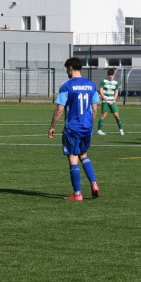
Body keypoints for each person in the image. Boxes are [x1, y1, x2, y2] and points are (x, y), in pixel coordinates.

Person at [49, 57, 100, 200]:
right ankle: (94, 183)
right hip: (87, 128)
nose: (66, 72)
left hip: (72, 128)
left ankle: (77, 194)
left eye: (66, 69)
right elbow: (95, 109)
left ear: (70, 67)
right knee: (84, 155)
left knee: (73, 158)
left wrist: (52, 127)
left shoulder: (67, 85)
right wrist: (90, 125)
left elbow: (59, 110)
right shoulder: (91, 85)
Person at [96, 68, 124, 136]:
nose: (111, 76)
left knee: (117, 115)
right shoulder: (104, 81)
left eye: (112, 75)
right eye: (109, 75)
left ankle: (121, 130)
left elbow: (116, 92)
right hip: (105, 101)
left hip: (112, 101)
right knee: (104, 115)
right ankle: (99, 130)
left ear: (113, 75)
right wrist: (103, 97)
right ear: (107, 75)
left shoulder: (116, 83)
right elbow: (100, 90)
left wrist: (113, 100)